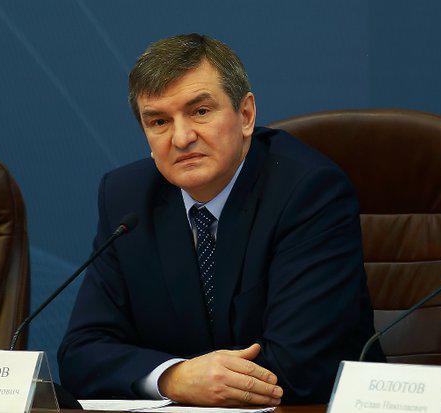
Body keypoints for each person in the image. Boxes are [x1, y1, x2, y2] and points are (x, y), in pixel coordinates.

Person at [58, 33, 383, 406]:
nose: (182, 138)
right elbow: (81, 353)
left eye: (200, 111)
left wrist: (197, 380)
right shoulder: (126, 198)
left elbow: (297, 365)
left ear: (245, 115)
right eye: (159, 121)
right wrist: (173, 377)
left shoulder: (307, 192)